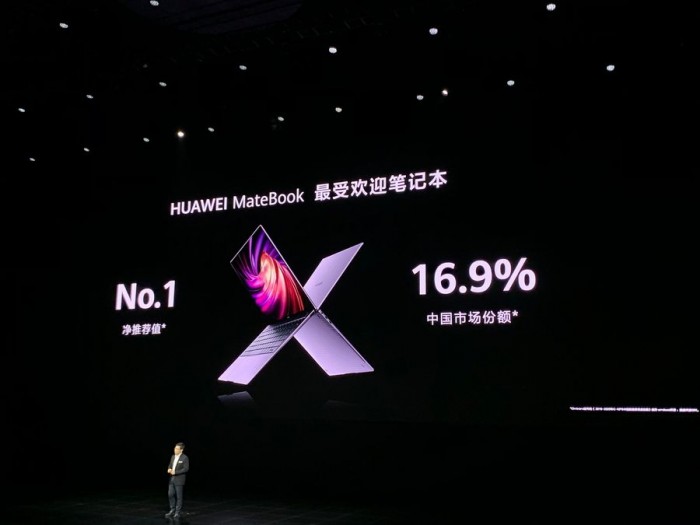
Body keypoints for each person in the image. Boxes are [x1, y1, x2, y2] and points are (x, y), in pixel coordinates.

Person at [165, 442, 189, 519]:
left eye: (177, 449)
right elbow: (170, 464)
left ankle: (177, 512)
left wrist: (175, 472)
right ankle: (172, 509)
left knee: (179, 496)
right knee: (170, 494)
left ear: (181, 450)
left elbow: (186, 469)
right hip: (172, 479)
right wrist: (169, 468)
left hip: (179, 480)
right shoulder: (173, 456)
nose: (175, 450)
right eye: (175, 448)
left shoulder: (184, 458)